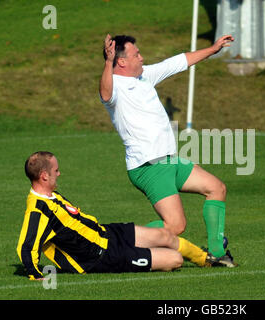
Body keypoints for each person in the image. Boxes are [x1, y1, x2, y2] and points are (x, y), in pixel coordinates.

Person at [99, 33, 237, 265]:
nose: (142, 58)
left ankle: (217, 253)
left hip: (170, 161)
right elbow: (104, 93)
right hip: (148, 167)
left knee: (217, 188)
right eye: (136, 54)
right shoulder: (115, 87)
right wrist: (107, 62)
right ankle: (113, 244)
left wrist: (212, 50)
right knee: (176, 226)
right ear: (121, 61)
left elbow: (177, 62)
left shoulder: (144, 76)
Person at [17, 152, 234, 281]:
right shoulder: (37, 210)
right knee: (175, 260)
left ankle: (207, 259)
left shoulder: (51, 195)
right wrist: (36, 274)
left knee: (165, 235)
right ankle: (146, 254)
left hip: (107, 232)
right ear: (44, 176)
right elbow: (26, 246)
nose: (59, 173)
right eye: (56, 171)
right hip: (102, 257)